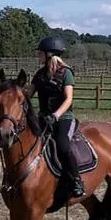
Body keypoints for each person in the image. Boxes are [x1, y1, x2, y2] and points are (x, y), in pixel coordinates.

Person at [28, 36, 85, 197]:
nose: (38, 55)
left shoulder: (66, 73)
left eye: (40, 52)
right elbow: (27, 95)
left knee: (63, 146)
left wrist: (56, 115)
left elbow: (68, 99)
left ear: (49, 54)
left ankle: (76, 180)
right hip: (43, 118)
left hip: (63, 118)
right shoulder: (40, 74)